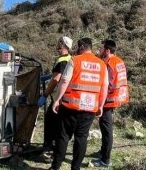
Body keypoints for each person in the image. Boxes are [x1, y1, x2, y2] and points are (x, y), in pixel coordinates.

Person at [50, 38, 108, 170]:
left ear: (82, 47)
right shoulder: (102, 64)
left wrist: (57, 99)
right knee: (81, 138)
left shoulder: (75, 60)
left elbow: (64, 81)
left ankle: (55, 166)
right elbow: (105, 87)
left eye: (77, 47)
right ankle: (75, 168)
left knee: (63, 137)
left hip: (70, 106)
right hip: (89, 108)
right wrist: (100, 106)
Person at [92, 39, 130, 168]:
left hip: (107, 101)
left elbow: (108, 85)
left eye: (101, 49)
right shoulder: (119, 61)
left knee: (106, 130)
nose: (99, 51)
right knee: (106, 128)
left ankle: (105, 160)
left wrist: (99, 103)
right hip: (116, 98)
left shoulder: (108, 64)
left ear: (107, 50)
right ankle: (103, 151)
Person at [39, 36, 73, 156]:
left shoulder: (63, 60)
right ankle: (54, 149)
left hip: (58, 99)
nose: (58, 46)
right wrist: (49, 76)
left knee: (52, 124)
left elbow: (56, 79)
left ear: (64, 45)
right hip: (63, 98)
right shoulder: (68, 59)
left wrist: (45, 94)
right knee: (58, 125)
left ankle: (49, 149)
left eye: (60, 44)